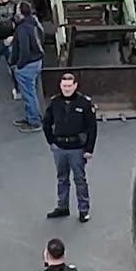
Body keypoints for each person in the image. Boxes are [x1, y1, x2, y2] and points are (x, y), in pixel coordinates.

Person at [42, 73, 97, 222]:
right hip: (59, 147)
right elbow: (46, 123)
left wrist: (89, 149)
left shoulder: (84, 103)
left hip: (77, 148)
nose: (67, 89)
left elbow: (92, 128)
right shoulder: (55, 102)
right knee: (62, 178)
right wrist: (51, 142)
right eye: (64, 86)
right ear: (60, 86)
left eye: (69, 86)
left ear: (75, 86)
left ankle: (83, 210)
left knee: (80, 179)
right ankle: (62, 207)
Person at [10, 1, 45, 133]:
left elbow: (24, 49)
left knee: (28, 94)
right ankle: (31, 117)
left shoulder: (23, 28)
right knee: (31, 92)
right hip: (36, 61)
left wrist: (19, 65)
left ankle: (34, 122)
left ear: (20, 13)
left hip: (27, 65)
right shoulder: (35, 24)